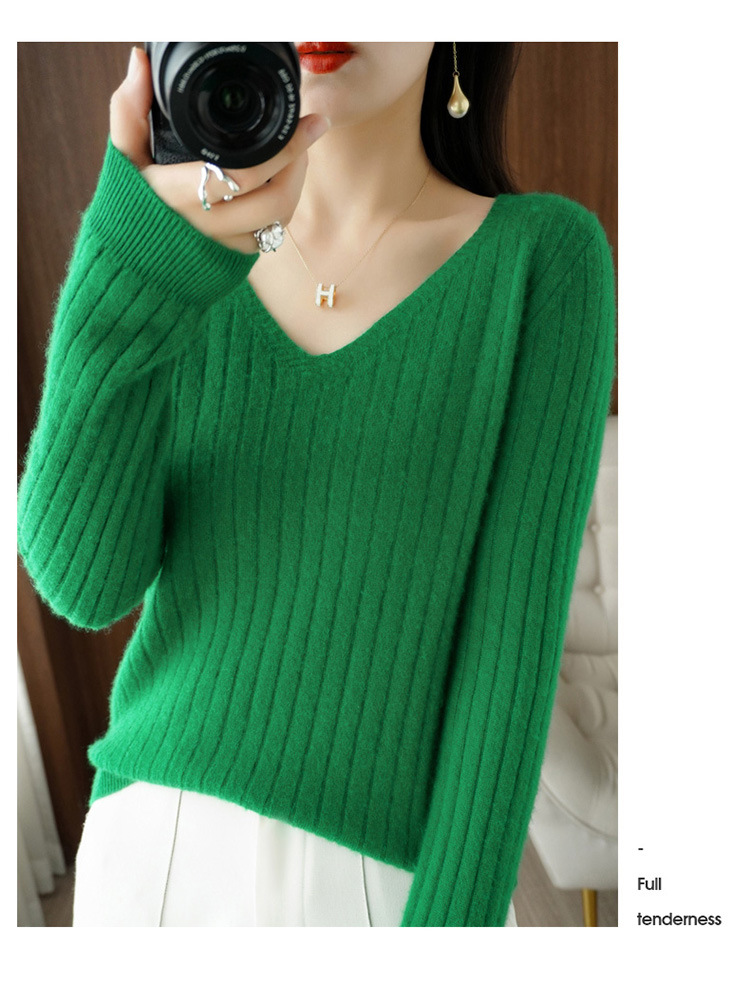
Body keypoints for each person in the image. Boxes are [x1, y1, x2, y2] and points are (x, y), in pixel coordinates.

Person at [16, 42, 616, 927]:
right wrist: (127, 268)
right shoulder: (178, 248)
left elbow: (509, 661)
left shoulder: (543, 258)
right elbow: (85, 583)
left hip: (379, 881)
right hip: (152, 855)